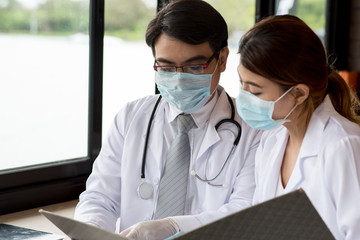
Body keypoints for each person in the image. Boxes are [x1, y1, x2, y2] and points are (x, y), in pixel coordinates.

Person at [74, 1, 261, 239]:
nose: (179, 79)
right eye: (166, 67)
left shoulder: (253, 129)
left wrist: (175, 226)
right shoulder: (131, 117)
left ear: (222, 60)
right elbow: (100, 197)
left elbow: (246, 209)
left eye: (195, 67)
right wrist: (91, 230)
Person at [235, 14, 360, 239]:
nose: (243, 97)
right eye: (241, 84)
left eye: (254, 91)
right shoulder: (271, 140)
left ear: (299, 93)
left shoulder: (344, 146)